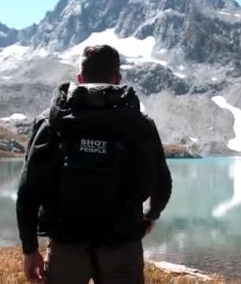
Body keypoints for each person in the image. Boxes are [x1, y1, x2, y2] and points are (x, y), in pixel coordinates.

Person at [16, 44, 172, 284]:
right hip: (122, 244)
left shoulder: (51, 121)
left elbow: (28, 189)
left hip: (66, 244)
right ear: (117, 79)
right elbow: (162, 181)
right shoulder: (139, 123)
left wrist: (29, 249)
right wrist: (151, 214)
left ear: (79, 78)